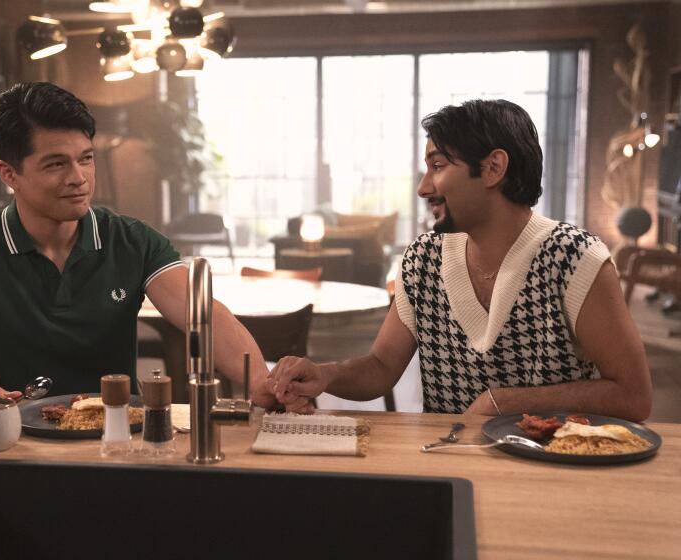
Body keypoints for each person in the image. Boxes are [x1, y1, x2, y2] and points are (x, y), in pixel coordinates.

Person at [0, 82, 287, 412]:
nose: (79, 177)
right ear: (9, 173)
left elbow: (204, 318)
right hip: (12, 443)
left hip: (118, 434)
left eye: (85, 158)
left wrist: (259, 382)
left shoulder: (132, 241)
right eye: (56, 164)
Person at [269, 99, 652, 421]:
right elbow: (382, 368)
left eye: (437, 166)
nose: (423, 187)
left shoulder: (573, 257)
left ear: (493, 168)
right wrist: (324, 374)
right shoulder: (423, 259)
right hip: (450, 470)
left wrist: (503, 403)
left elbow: (633, 396)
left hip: (552, 477)